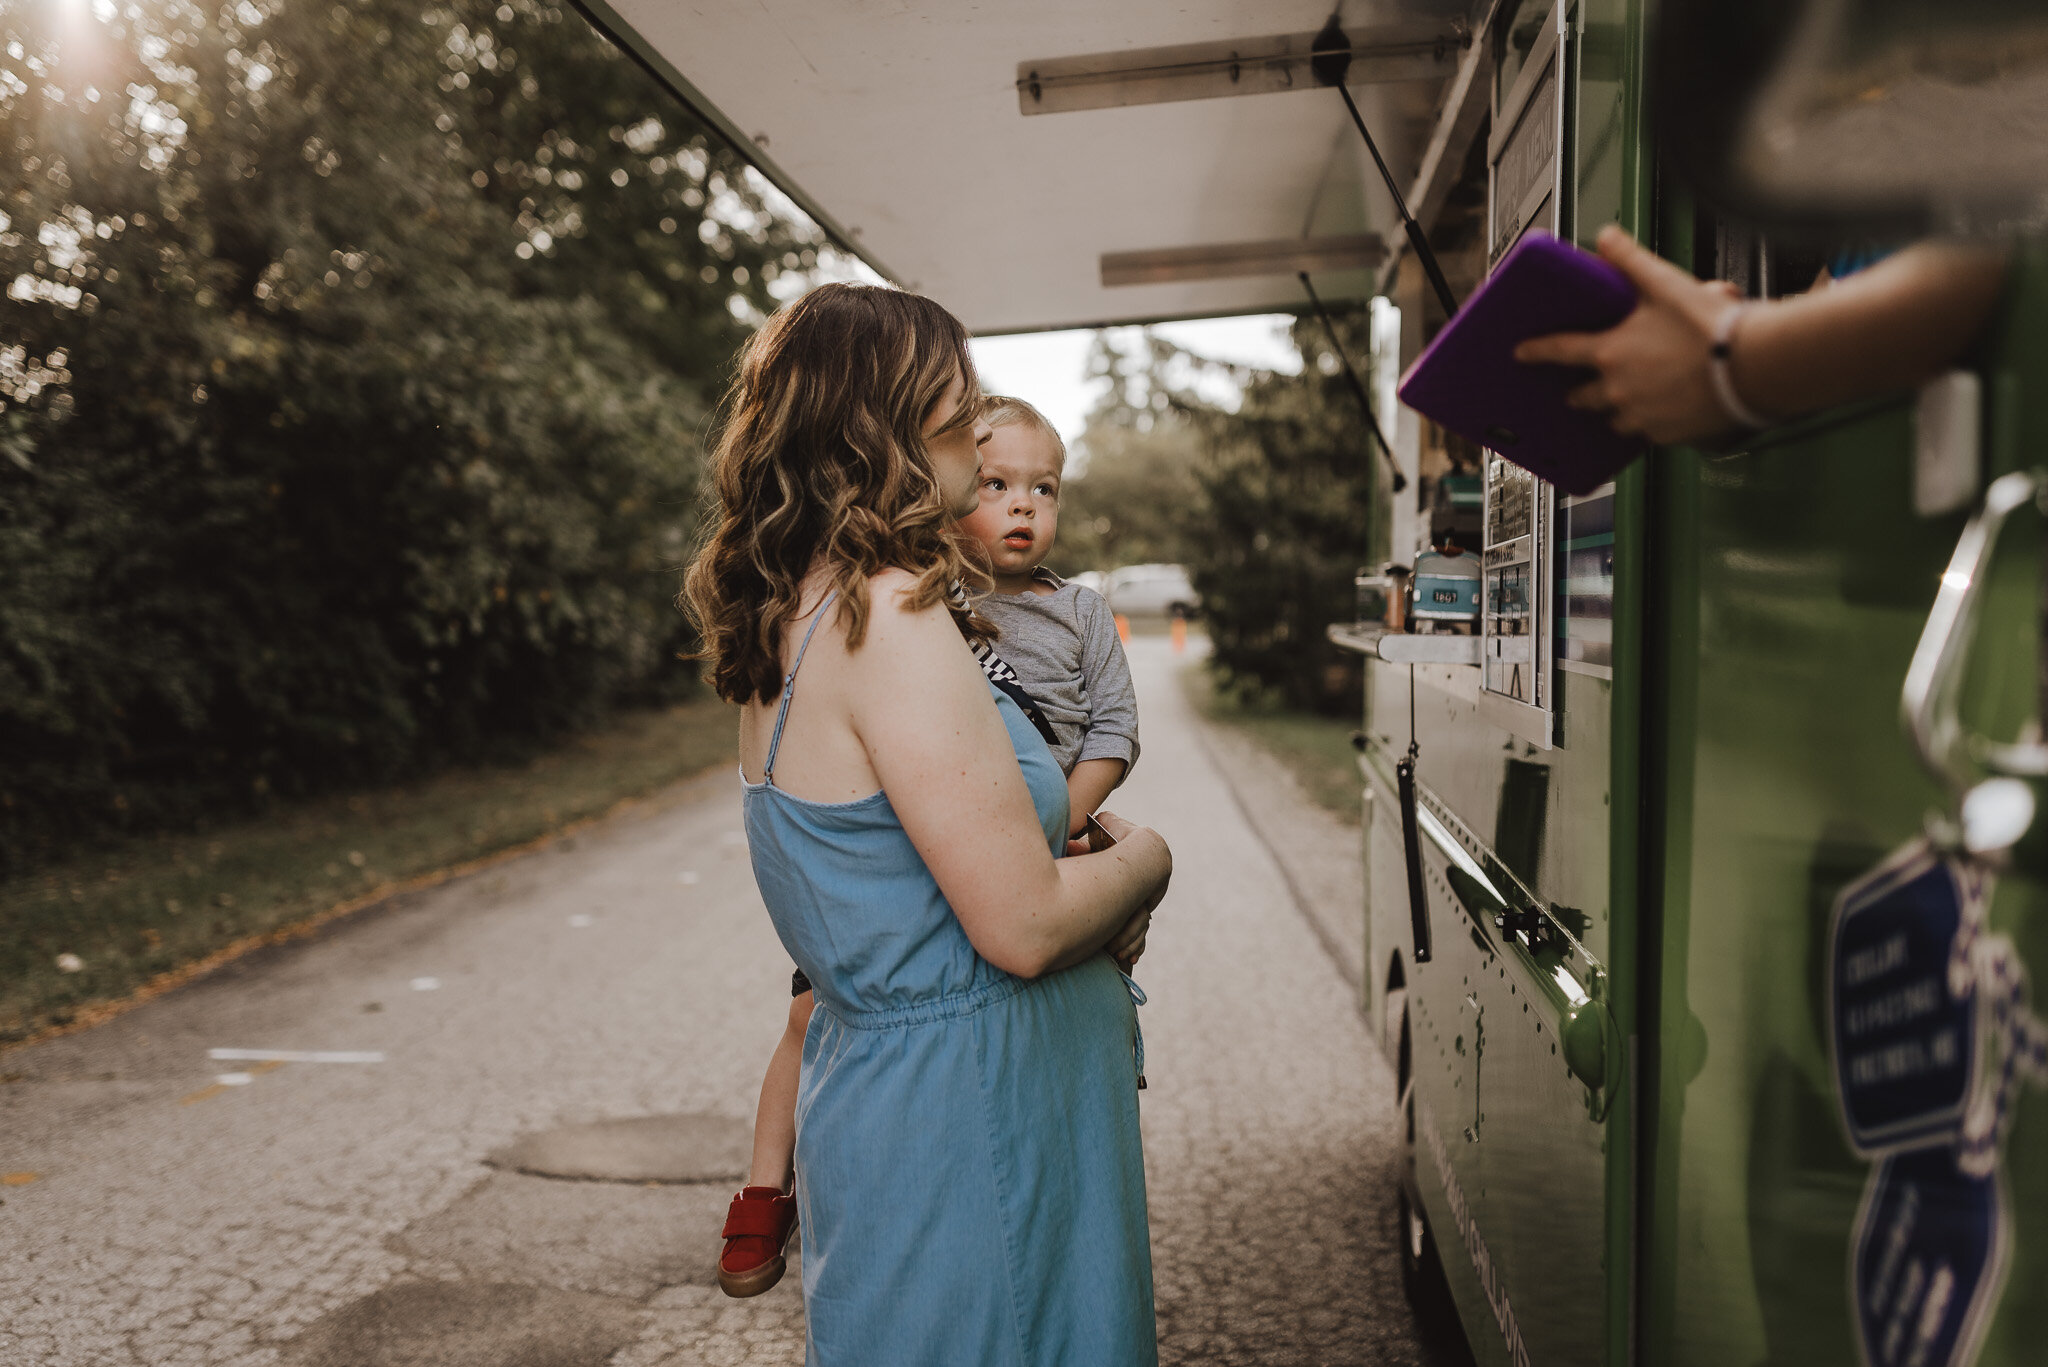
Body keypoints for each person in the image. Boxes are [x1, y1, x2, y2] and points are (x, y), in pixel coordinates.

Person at [682, 282, 1171, 1366]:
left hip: (917, 1103)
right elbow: (1022, 925)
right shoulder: (888, 615)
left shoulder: (804, 610)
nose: (971, 407)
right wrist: (1145, 861)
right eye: (951, 399)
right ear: (887, 424)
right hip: (973, 1118)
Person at [1513, 224, 2009, 445]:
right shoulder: (1858, 238)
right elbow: (1815, 311)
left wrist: (1729, 362)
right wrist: (1706, 328)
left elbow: (1997, 251)